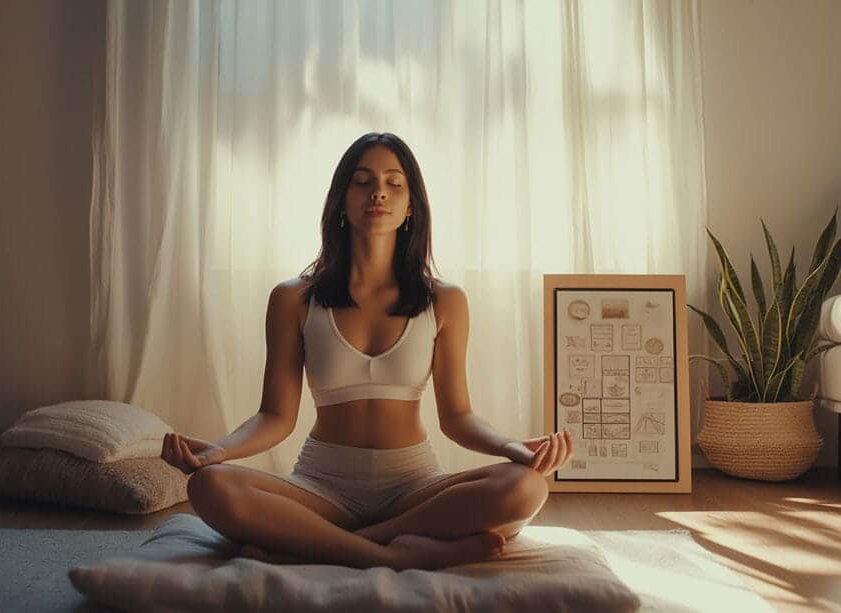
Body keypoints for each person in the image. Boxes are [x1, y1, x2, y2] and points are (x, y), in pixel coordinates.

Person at [161, 132, 572, 571]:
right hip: (322, 487)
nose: (378, 191)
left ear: (411, 205)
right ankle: (397, 554)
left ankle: (330, 545)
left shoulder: (444, 300)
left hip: (414, 489)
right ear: (341, 200)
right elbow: (275, 417)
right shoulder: (294, 299)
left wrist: (513, 448)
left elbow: (457, 417)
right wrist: (216, 453)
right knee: (210, 487)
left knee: (526, 488)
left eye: (395, 183)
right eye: (362, 181)